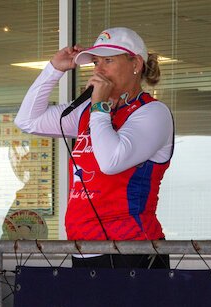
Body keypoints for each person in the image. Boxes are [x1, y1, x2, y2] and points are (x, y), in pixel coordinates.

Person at [15, 27, 174, 269]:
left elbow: (111, 162)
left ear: (136, 64)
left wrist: (99, 106)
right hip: (84, 248)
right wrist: (53, 69)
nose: (99, 69)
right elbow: (27, 120)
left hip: (133, 249)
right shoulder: (88, 112)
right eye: (96, 62)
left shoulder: (153, 112)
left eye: (108, 60)